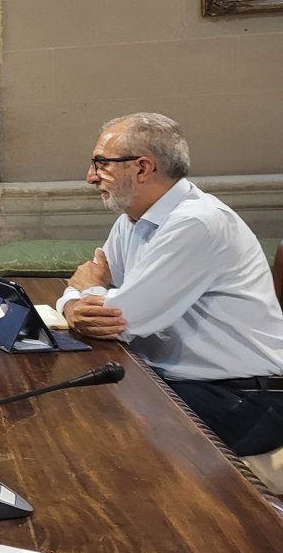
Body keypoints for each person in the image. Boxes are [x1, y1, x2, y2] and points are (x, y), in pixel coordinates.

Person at [57, 113, 283, 456]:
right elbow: (92, 294)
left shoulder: (197, 223)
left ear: (142, 168)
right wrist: (75, 302)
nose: (91, 177)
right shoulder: (131, 220)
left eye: (101, 163)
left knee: (95, 432)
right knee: (70, 403)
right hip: (178, 381)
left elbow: (120, 320)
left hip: (244, 397)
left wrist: (82, 295)